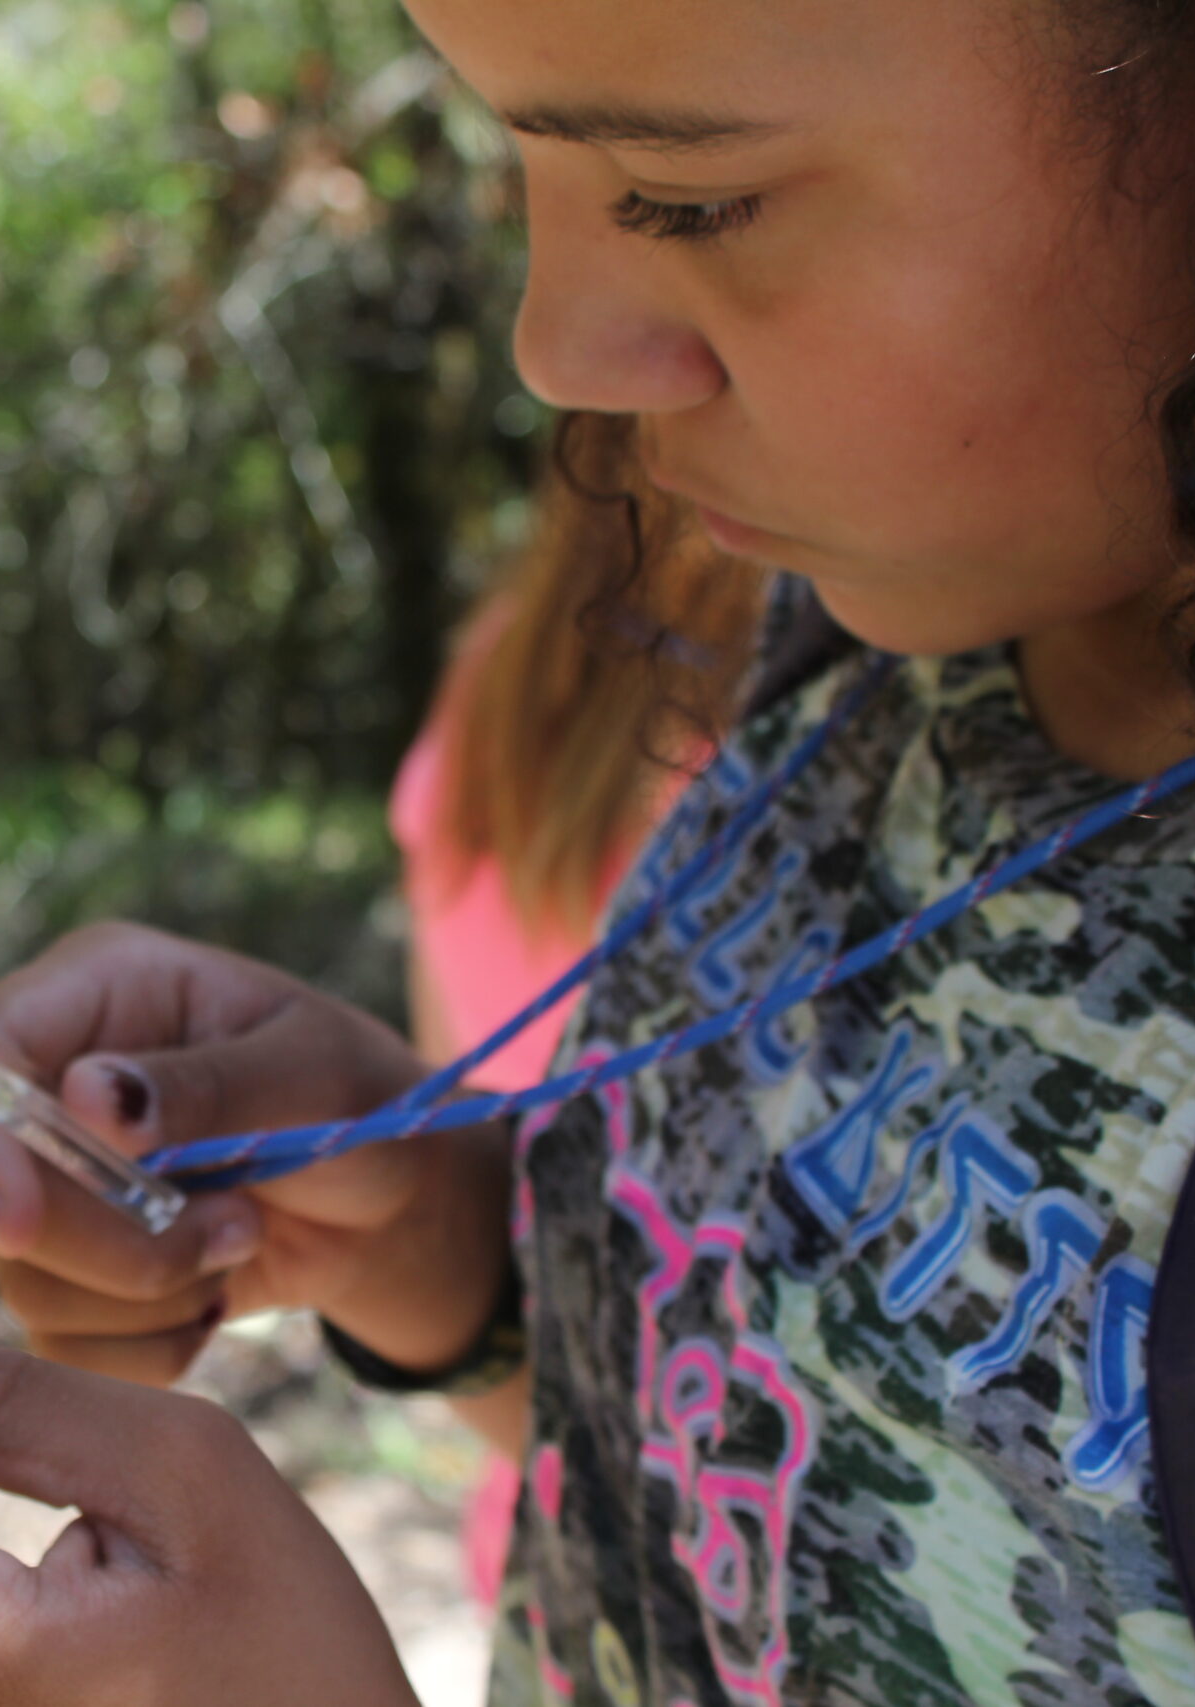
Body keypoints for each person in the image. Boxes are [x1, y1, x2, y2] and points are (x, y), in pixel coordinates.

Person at [0, 0, 1195, 1701]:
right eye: (517, 168)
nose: (556, 342)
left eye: (688, 196)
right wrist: (446, 1251)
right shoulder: (887, 642)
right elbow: (827, 1489)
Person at [393, 479, 759, 1616]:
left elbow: (450, 1105)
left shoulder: (499, 670)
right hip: (746, 1583)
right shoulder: (791, 741)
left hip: (547, 1537)